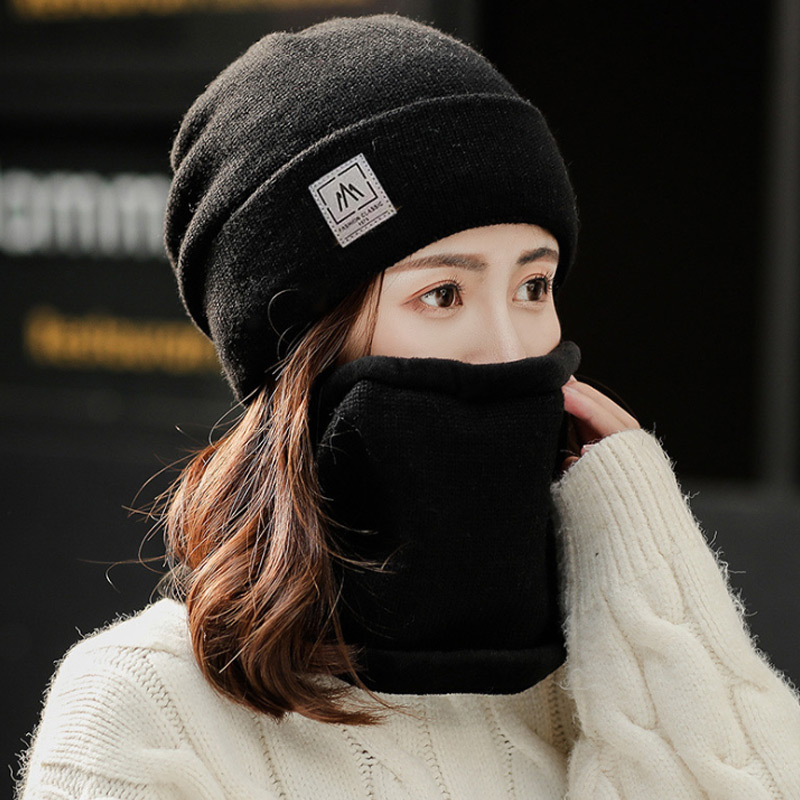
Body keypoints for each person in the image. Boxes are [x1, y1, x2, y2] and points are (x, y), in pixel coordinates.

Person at [16, 13, 800, 800]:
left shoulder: (611, 675)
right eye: (444, 293)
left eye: (534, 285)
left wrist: (648, 559)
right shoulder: (147, 711)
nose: (510, 347)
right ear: (307, 343)